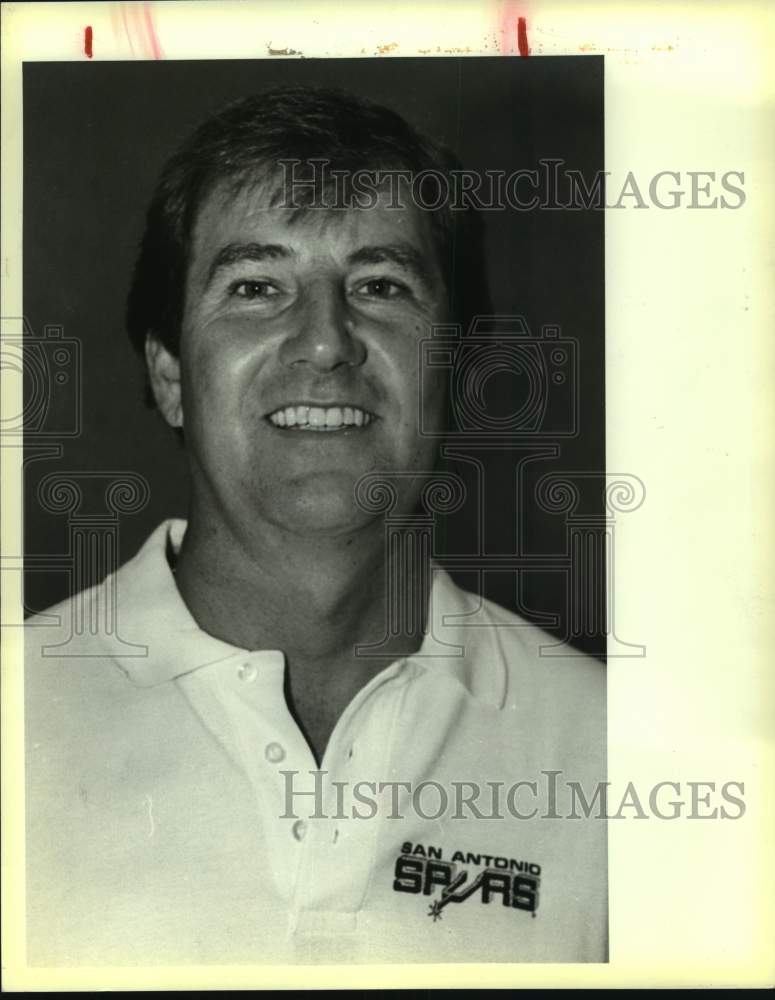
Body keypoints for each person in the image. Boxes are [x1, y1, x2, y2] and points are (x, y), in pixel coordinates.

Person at [24, 86, 607, 966]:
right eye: (256, 287)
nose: (327, 342)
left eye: (380, 285)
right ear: (172, 373)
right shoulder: (16, 713)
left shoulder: (611, 746)